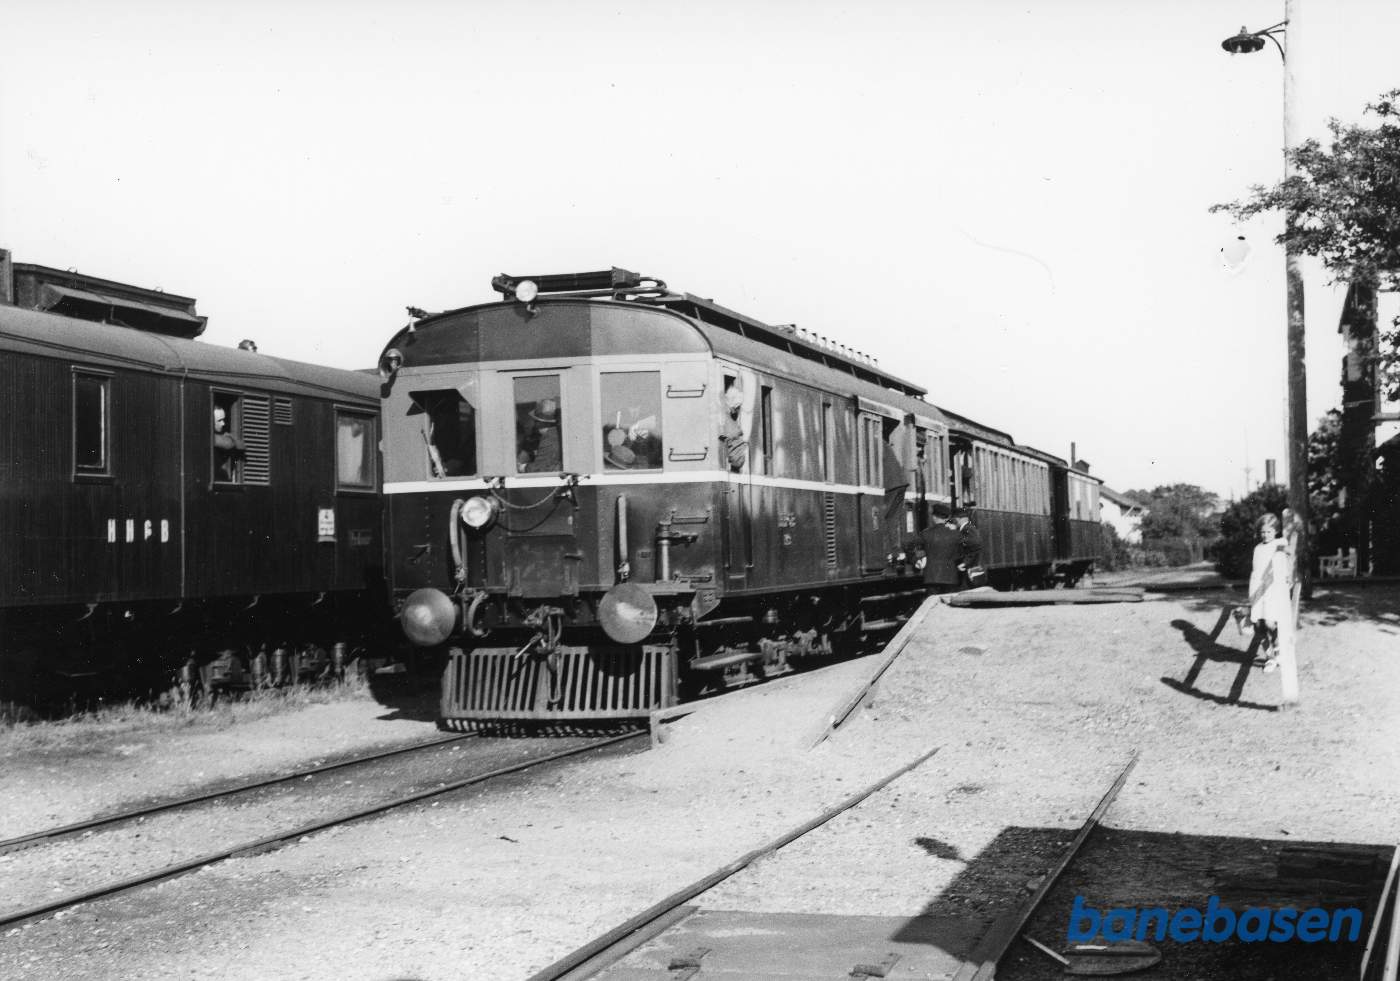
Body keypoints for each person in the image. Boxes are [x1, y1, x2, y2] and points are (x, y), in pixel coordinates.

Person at [1247, 512, 1292, 670]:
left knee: (1270, 623)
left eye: (1269, 531)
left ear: (1276, 531)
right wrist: (1251, 594)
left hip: (1272, 590)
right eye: (1263, 532)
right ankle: (1269, 657)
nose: (1266, 535)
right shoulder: (1258, 548)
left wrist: (1289, 574)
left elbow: (1289, 556)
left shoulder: (1279, 544)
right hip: (1257, 589)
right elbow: (1255, 571)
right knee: (1258, 625)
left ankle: (1278, 650)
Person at [921, 506, 961, 593]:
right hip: (950, 577)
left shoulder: (925, 533)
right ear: (946, 518)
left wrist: (917, 559)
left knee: (932, 601)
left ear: (934, 517)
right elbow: (962, 552)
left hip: (932, 577)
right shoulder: (956, 534)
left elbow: (910, 546)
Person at [517, 397, 562, 472]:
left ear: (539, 423)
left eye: (535, 421)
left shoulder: (551, 436)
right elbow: (527, 451)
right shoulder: (537, 437)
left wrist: (522, 467)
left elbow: (542, 467)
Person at [719, 383, 748, 472]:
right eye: (738, 407)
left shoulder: (731, 420)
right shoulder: (728, 421)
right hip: (733, 464)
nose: (739, 410)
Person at [213, 405, 245, 482]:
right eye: (219, 420)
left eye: (223, 420)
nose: (223, 423)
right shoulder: (209, 436)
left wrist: (229, 437)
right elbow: (228, 444)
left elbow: (242, 445)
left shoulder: (223, 434)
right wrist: (230, 438)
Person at [954, 509, 984, 588]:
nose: (954, 521)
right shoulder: (967, 529)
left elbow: (976, 546)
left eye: (954, 519)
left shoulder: (968, 529)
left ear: (958, 519)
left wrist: (965, 562)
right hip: (968, 570)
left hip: (970, 571)